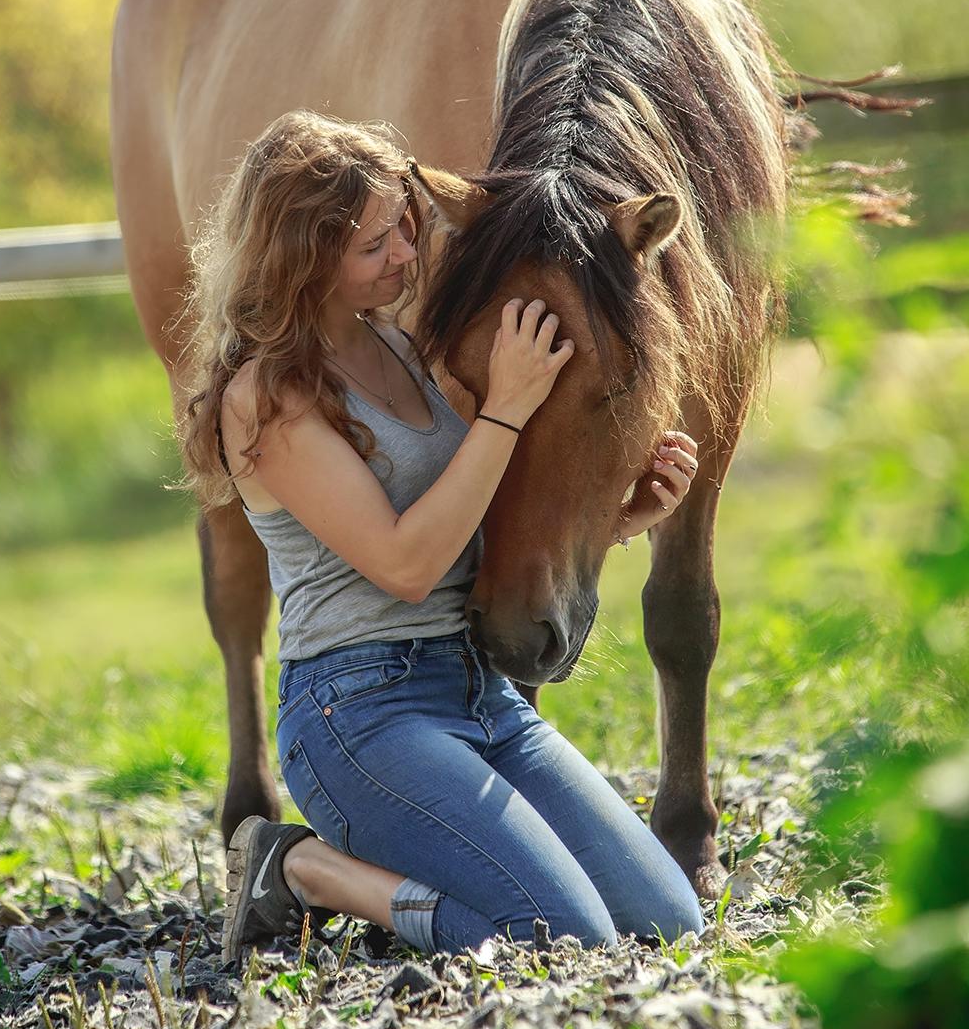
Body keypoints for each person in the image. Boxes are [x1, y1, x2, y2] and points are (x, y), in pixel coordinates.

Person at [176, 108, 703, 964]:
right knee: (561, 940)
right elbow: (408, 564)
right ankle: (306, 869)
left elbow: (466, 519)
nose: (406, 255)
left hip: (476, 693)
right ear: (306, 257)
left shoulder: (404, 348)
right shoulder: (269, 401)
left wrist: (625, 520)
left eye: (406, 229)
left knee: (669, 921)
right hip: (361, 715)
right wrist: (507, 403)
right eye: (375, 244)